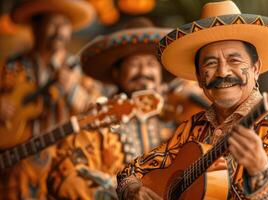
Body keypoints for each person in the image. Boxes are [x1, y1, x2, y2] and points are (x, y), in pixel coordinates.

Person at [116, 1, 268, 199]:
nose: (223, 71)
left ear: (256, 68)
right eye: (210, 63)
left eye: (234, 60)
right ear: (199, 78)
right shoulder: (192, 126)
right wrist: (133, 189)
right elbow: (131, 171)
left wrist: (263, 172)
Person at [46, 18, 175, 199]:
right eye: (134, 63)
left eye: (151, 64)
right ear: (116, 73)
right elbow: (65, 176)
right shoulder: (98, 121)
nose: (144, 71)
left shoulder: (175, 124)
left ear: (161, 75)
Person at [0, 0, 98, 199]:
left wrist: (72, 90)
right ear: (36, 27)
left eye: (64, 25)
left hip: (66, 164)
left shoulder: (80, 71)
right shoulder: (11, 67)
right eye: (53, 24)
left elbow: (96, 112)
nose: (59, 31)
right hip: (15, 164)